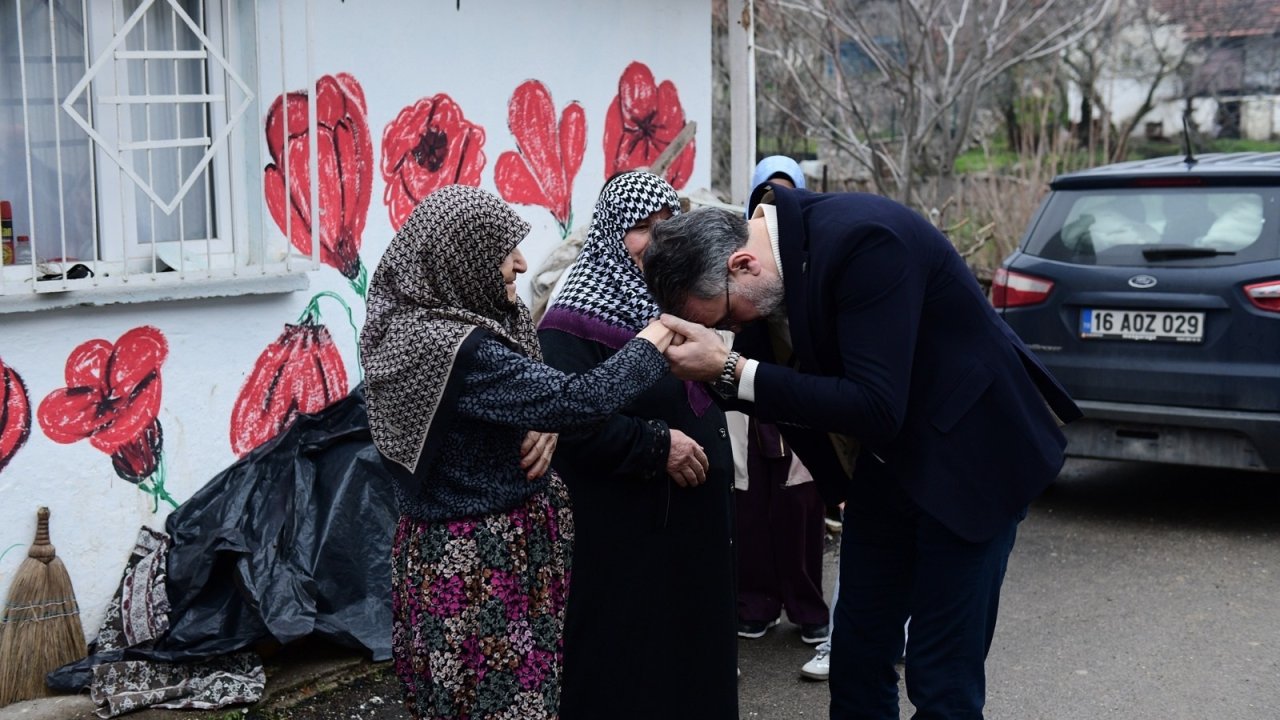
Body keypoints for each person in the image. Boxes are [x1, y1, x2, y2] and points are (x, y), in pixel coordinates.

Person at [642, 184, 1082, 719]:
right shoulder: (769, 274)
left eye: (727, 320)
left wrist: (731, 369)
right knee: (856, 662)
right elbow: (778, 385)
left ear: (742, 263)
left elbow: (875, 405)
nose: (731, 333)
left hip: (973, 465)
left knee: (941, 676)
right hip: (885, 470)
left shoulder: (867, 241)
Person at [359, 185, 677, 720]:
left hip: (438, 554)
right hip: (483, 565)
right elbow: (581, 399)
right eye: (506, 250)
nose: (522, 263)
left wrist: (541, 416)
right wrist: (659, 332)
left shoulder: (406, 324)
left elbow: (534, 397)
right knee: (499, 700)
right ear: (465, 256)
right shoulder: (463, 350)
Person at [537, 171, 737, 720]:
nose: (661, 239)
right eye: (644, 228)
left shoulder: (672, 303)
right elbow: (570, 422)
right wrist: (653, 445)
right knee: (627, 668)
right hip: (625, 535)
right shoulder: (573, 319)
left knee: (691, 662)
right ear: (609, 233)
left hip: (686, 534)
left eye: (670, 225)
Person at [731, 157, 829, 647]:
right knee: (751, 507)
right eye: (764, 195)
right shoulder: (738, 257)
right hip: (748, 403)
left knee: (801, 508)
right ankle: (756, 603)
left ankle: (809, 608)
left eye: (785, 193)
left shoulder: (812, 260)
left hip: (798, 399)